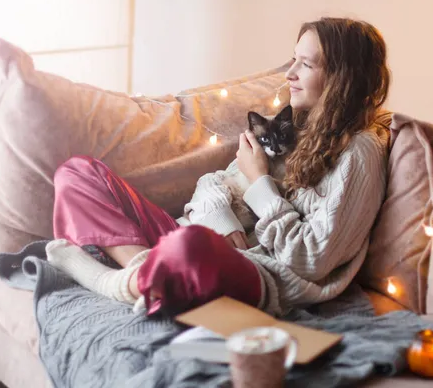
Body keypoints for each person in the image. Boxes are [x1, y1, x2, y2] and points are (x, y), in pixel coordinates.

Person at [46, 17, 391, 317]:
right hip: (201, 238)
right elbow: (213, 181)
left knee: (190, 247)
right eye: (293, 60)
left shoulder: (359, 153)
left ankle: (112, 280)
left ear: (341, 79)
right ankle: (152, 274)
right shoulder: (295, 128)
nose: (289, 74)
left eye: (306, 64)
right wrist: (221, 220)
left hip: (251, 271)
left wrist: (259, 181)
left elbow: (310, 260)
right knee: (76, 173)